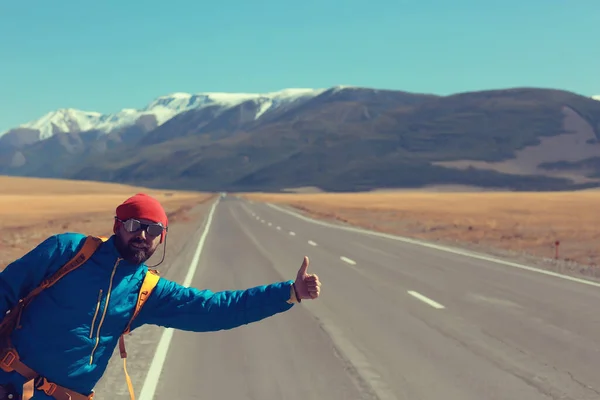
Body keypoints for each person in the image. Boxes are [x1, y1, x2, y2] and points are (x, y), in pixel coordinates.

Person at [0, 193, 321, 400]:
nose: (143, 235)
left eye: (153, 230)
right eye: (135, 225)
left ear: (162, 237)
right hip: (10, 387)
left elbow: (213, 309)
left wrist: (288, 293)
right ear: (117, 225)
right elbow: (4, 291)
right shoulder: (69, 251)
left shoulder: (147, 291)